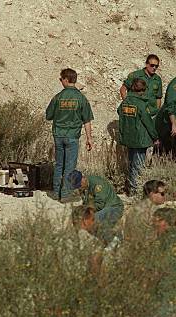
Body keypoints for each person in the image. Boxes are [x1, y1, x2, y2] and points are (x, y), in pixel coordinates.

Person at [45, 68, 94, 201]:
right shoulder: (81, 98)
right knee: (70, 166)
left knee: (59, 164)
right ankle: (65, 194)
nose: (61, 81)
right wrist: (89, 138)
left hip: (58, 135)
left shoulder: (58, 97)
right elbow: (87, 120)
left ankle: (56, 193)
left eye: (61, 79)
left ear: (66, 80)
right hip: (72, 136)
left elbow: (48, 115)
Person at [117, 78, 159, 195]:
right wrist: (155, 137)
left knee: (131, 163)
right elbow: (148, 122)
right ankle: (135, 190)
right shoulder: (141, 104)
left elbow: (118, 111)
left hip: (128, 138)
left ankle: (130, 188)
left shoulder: (125, 102)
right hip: (140, 139)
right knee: (138, 165)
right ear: (143, 90)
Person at [67, 170, 124, 244]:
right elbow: (86, 203)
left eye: (80, 185)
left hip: (114, 207)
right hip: (103, 209)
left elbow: (100, 204)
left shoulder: (97, 184)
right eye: (77, 187)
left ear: (83, 178)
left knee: (93, 220)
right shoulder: (84, 188)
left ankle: (114, 240)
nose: (79, 188)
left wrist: (86, 211)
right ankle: (105, 239)